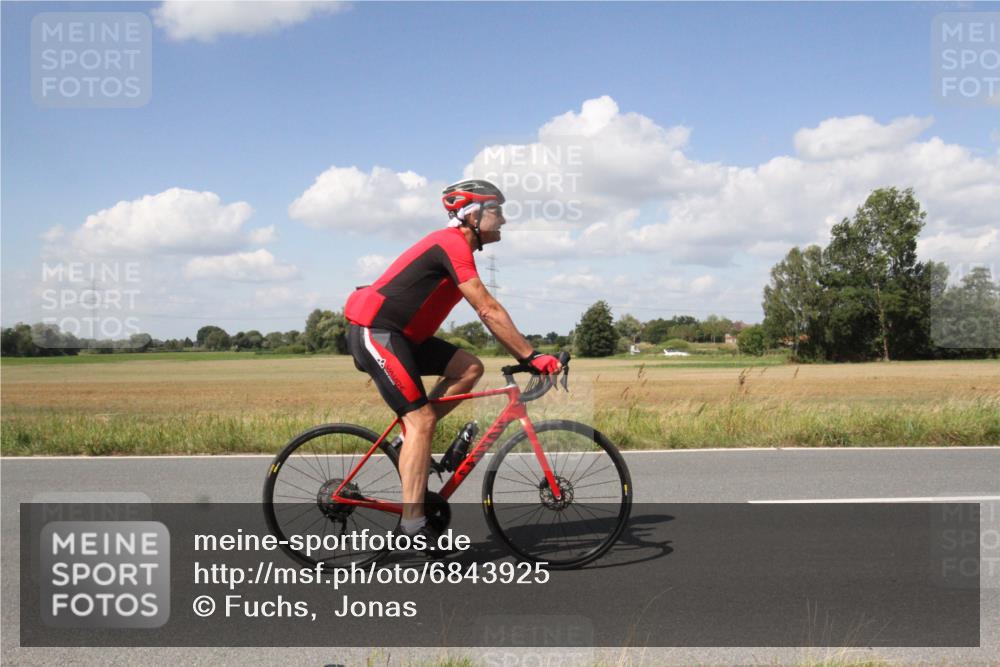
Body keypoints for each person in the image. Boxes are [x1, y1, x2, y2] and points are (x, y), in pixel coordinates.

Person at [344, 179, 562, 548]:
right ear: (472, 213)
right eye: (498, 211)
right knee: (423, 419)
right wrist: (530, 356)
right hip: (376, 332)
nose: (504, 220)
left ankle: (404, 444)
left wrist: (527, 354)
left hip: (404, 338)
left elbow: (486, 311)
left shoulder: (460, 248)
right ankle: (413, 526)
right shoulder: (450, 244)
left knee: (469, 369)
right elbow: (487, 309)